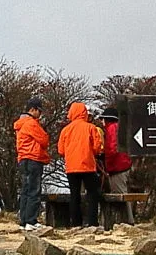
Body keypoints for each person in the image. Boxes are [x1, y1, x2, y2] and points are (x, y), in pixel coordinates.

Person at [58, 102, 104, 228]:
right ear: (84, 113)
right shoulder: (90, 128)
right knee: (92, 194)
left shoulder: (65, 130)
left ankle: (76, 223)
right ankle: (92, 223)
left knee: (74, 195)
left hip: (71, 167)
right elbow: (97, 148)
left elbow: (61, 151)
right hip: (88, 165)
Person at [14, 97, 50, 231]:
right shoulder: (31, 123)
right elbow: (44, 139)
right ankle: (31, 220)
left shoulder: (20, 124)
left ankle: (24, 220)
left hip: (23, 158)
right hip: (33, 158)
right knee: (34, 190)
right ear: (33, 110)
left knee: (25, 190)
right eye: (39, 111)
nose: (40, 114)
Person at [99, 107, 134, 224]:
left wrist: (105, 159)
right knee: (121, 193)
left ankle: (127, 221)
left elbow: (113, 148)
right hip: (123, 164)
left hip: (118, 166)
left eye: (102, 119)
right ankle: (124, 221)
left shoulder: (112, 129)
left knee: (120, 194)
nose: (101, 121)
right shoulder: (119, 128)